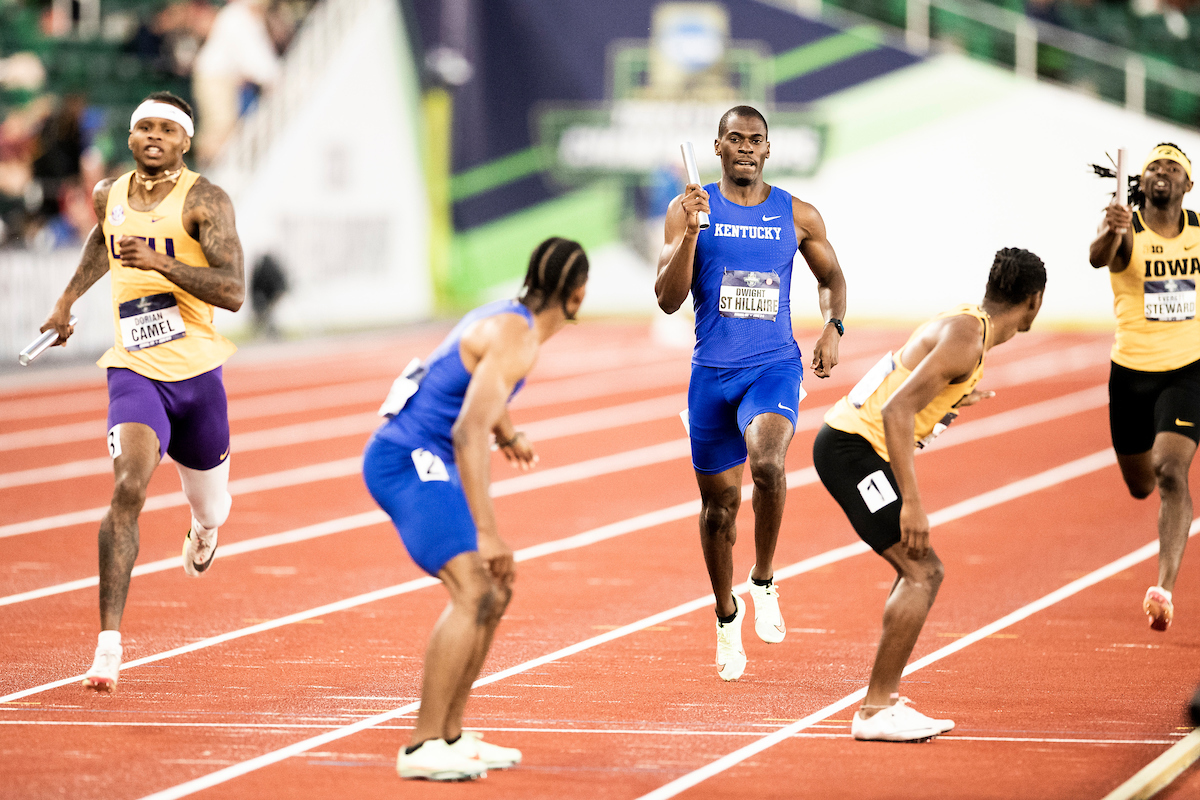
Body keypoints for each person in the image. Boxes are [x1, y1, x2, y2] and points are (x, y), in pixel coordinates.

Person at [39, 91, 245, 691]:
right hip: (134, 368)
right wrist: (65, 300)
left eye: (167, 129)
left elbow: (232, 290)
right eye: (143, 127)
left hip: (199, 373)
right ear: (130, 139)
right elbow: (103, 243)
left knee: (212, 505)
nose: (154, 136)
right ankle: (108, 647)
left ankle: (204, 529)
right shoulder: (109, 195)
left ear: (185, 141)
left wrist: (161, 262)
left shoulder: (205, 198)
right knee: (128, 486)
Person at [362, 237, 588, 781]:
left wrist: (508, 432)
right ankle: (420, 747)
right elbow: (467, 431)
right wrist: (488, 532)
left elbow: (471, 387)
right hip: (406, 458)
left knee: (497, 589)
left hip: (418, 453)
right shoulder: (521, 339)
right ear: (577, 297)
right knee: (475, 587)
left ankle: (450, 735)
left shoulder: (504, 318)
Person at [813, 248, 1046, 741]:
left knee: (918, 571)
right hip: (852, 450)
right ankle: (875, 711)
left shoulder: (967, 325)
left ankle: (884, 701)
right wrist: (913, 503)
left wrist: (953, 398)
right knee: (923, 571)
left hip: (854, 445)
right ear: (1035, 301)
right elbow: (897, 412)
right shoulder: (967, 340)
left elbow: (905, 379)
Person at [655, 105, 848, 681]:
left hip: (773, 365)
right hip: (711, 374)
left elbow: (832, 278)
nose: (745, 147)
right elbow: (667, 298)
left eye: (755, 140)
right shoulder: (688, 210)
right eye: (734, 139)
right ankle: (725, 615)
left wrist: (833, 328)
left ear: (768, 149)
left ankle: (763, 578)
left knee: (767, 462)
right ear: (717, 147)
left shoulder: (798, 214)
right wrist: (690, 234)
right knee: (719, 511)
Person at [1089, 143, 1199, 632]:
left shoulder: (1198, 230)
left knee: (1170, 471)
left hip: (1187, 370)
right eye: (1155, 165)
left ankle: (1164, 589)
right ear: (1143, 179)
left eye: (1173, 167)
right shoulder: (1124, 228)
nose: (1163, 172)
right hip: (1131, 374)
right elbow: (1098, 259)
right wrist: (1110, 232)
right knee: (1141, 485)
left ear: (1186, 185)